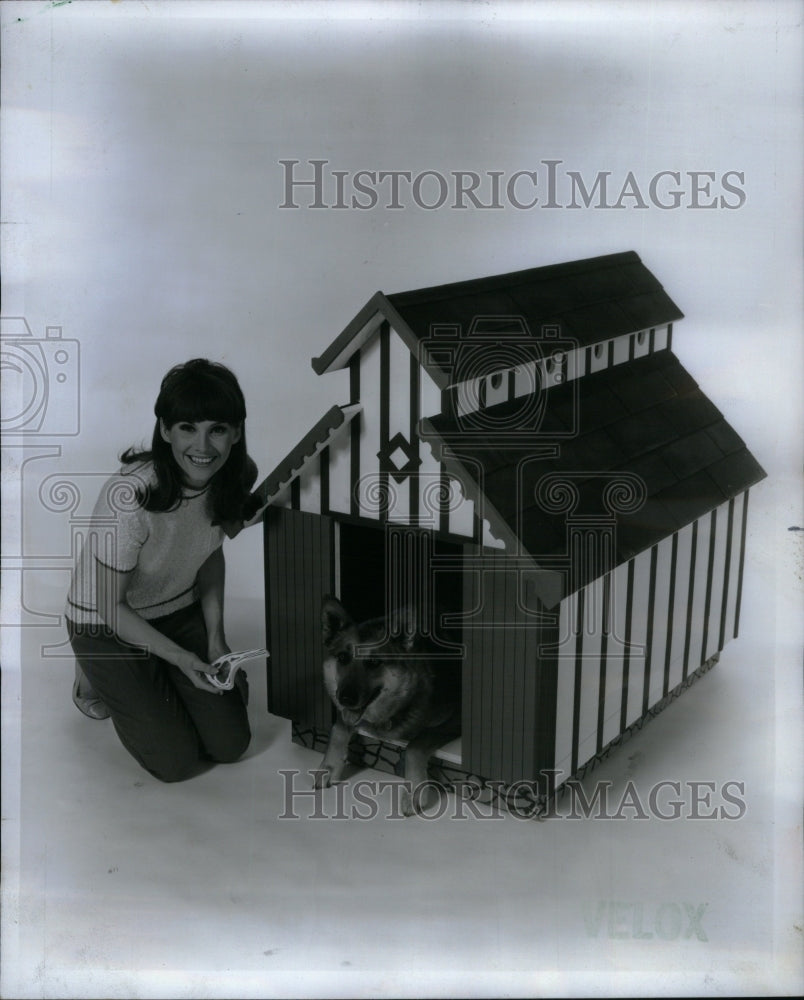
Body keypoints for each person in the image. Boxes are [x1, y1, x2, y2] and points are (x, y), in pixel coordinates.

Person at [65, 359, 260, 782]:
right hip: (105, 620)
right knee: (174, 763)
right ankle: (93, 673)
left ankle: (152, 674)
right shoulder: (130, 493)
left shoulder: (236, 475)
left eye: (218, 429)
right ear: (166, 429)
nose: (204, 445)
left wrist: (215, 640)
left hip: (176, 608)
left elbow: (209, 553)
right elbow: (111, 606)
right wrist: (178, 658)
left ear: (236, 432)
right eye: (188, 427)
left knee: (230, 745)